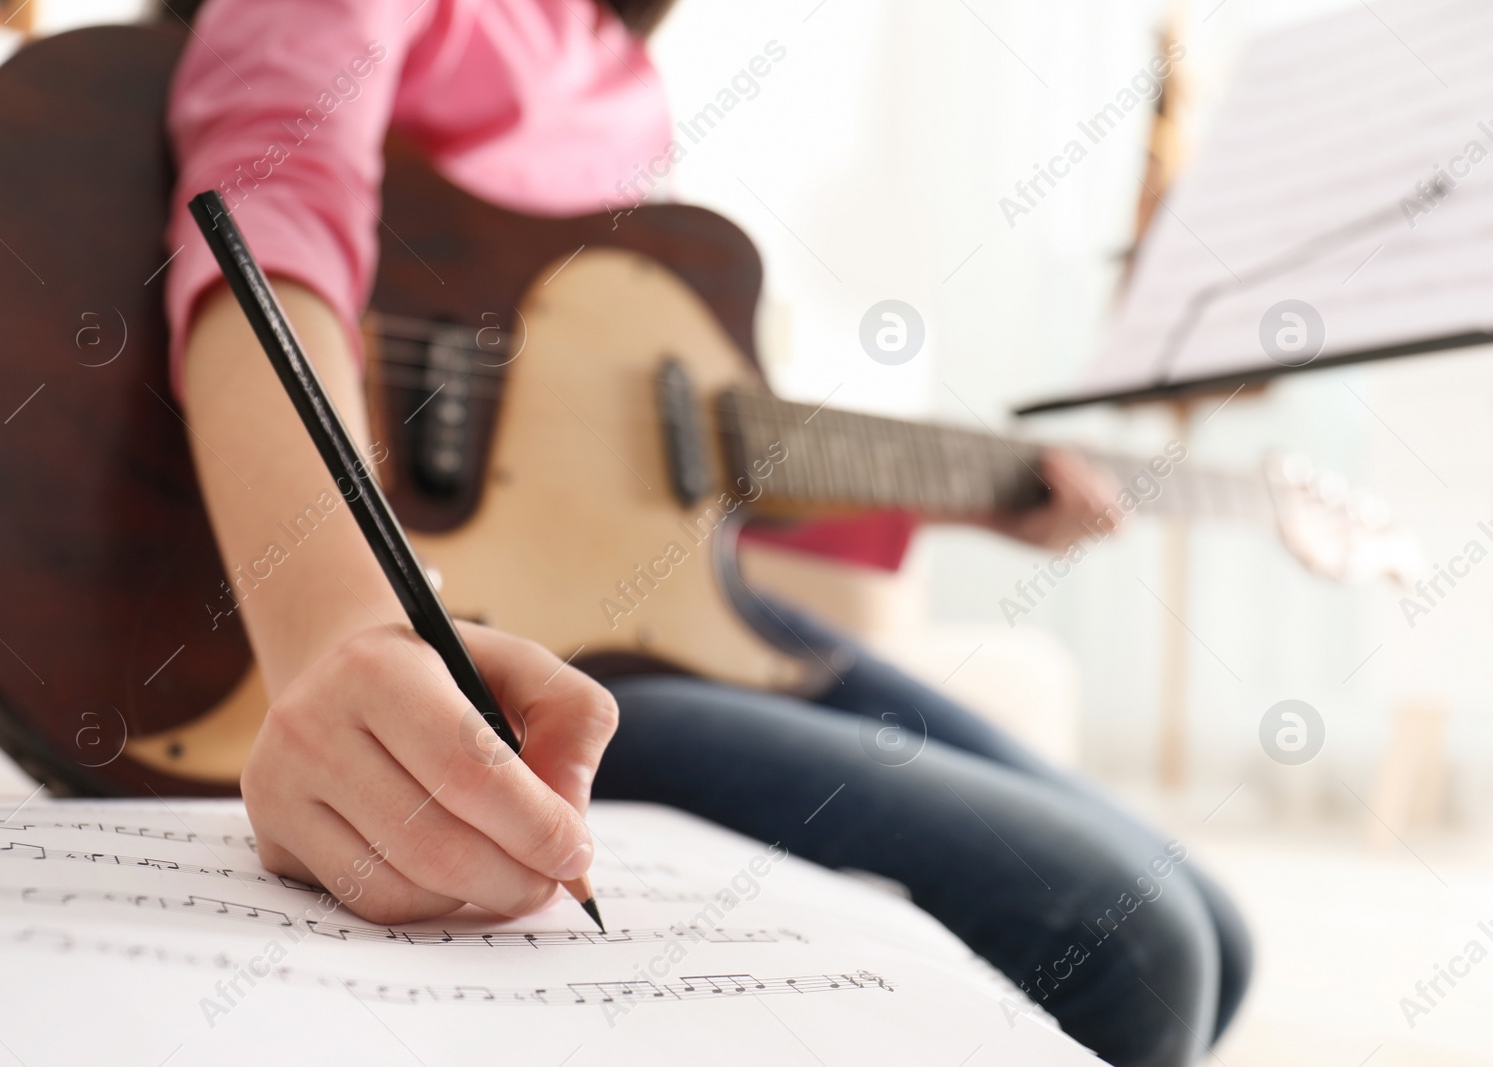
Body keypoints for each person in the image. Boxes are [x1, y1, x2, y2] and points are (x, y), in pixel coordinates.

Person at [163, 1, 1250, 1063]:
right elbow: (264, 217)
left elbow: (663, 477)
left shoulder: (624, 80)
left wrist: (975, 496)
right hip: (523, 654)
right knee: (1131, 945)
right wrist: (341, 635)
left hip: (661, 616)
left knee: (1215, 931)